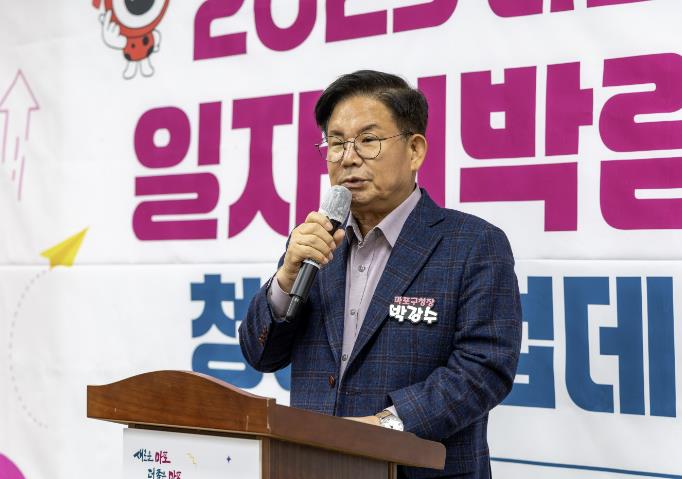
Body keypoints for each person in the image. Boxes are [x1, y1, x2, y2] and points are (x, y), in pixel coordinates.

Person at [239, 70, 522, 479]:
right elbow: (260, 354)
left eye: (368, 140)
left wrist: (382, 428)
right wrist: (285, 277)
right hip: (312, 467)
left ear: (415, 150)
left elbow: (484, 370)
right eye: (336, 143)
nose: (348, 158)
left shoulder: (473, 244)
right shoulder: (316, 243)